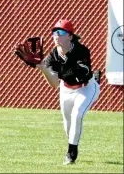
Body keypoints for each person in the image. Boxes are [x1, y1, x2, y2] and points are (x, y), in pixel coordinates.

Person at [36, 19, 100, 165]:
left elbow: (82, 74)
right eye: (54, 32)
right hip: (66, 89)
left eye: (61, 32)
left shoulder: (81, 50)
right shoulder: (53, 55)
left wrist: (64, 61)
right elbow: (54, 84)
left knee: (77, 114)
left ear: (70, 36)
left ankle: (71, 153)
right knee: (67, 124)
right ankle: (72, 142)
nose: (56, 35)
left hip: (86, 87)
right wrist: (43, 68)